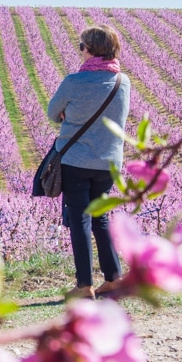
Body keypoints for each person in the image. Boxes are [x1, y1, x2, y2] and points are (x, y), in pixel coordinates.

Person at [46, 23, 131, 300]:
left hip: (76, 161)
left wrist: (70, 115)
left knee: (80, 219)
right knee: (100, 218)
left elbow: (52, 112)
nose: (80, 50)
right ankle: (114, 278)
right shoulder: (122, 82)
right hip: (109, 162)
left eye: (82, 46)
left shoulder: (74, 82)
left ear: (91, 49)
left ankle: (84, 284)